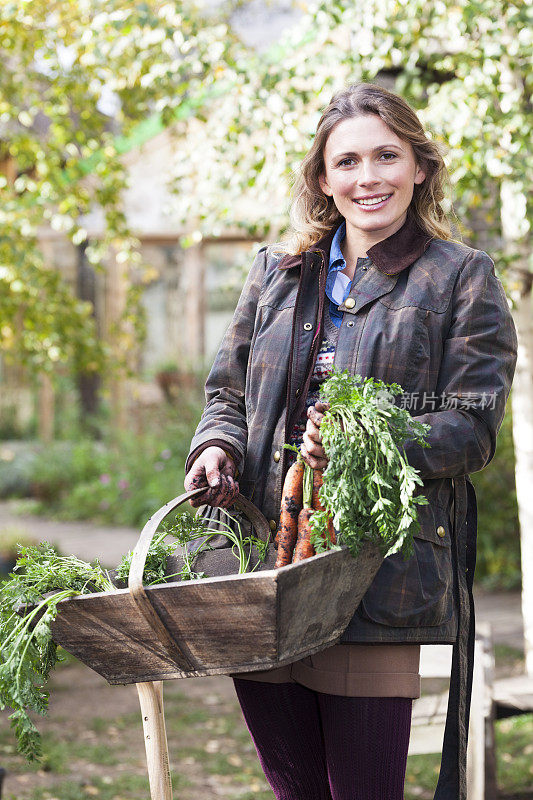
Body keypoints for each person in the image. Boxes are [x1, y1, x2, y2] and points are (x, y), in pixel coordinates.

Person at [184, 83, 517, 800]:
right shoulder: (275, 272)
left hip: (377, 571)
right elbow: (227, 395)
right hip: (260, 565)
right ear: (322, 178)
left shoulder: (460, 278)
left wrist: (365, 441)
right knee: (294, 790)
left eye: (386, 156)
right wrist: (216, 447)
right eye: (347, 162)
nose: (367, 178)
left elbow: (470, 428)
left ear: (419, 168)